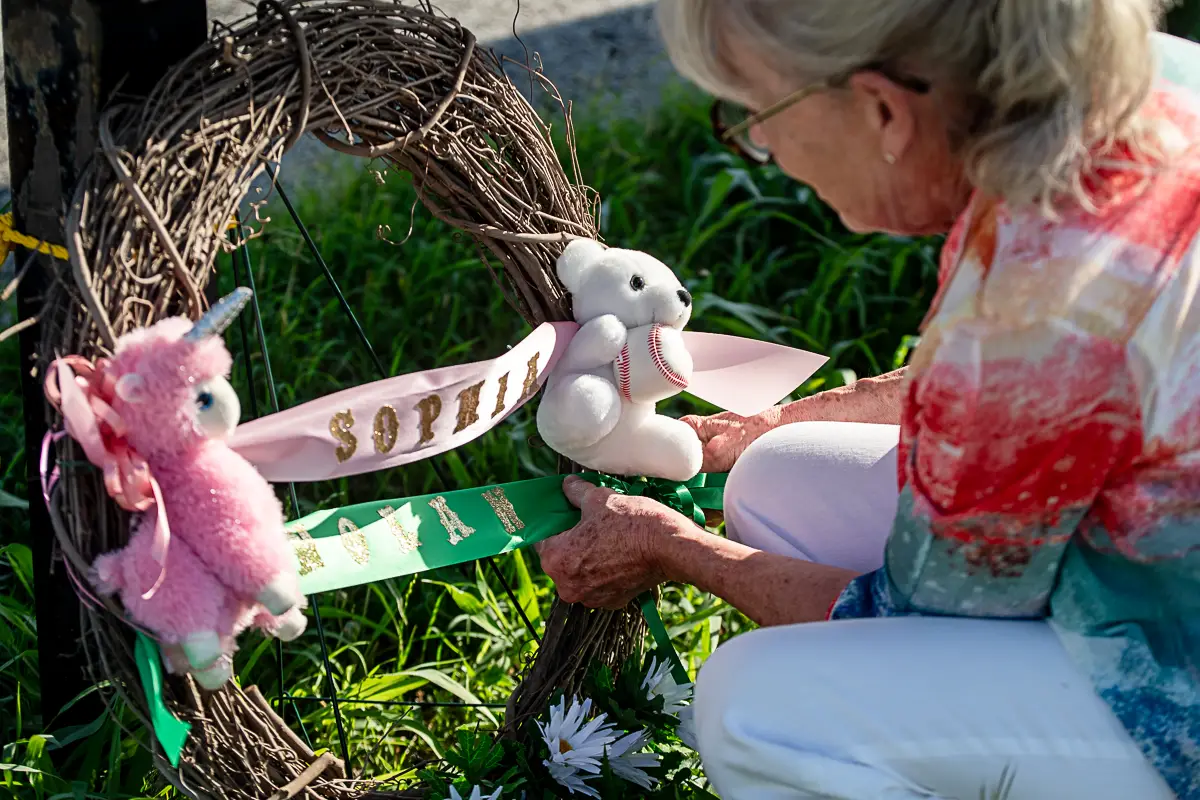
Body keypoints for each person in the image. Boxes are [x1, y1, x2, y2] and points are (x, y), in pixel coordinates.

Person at [534, 1, 1200, 798]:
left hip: (1179, 691)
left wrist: (674, 548)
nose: (762, 148)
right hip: (1159, 572)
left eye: (759, 112)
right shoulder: (1137, 84)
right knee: (781, 474)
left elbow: (914, 623)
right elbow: (1033, 394)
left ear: (883, 110)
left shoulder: (1039, 292)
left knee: (755, 707)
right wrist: (773, 420)